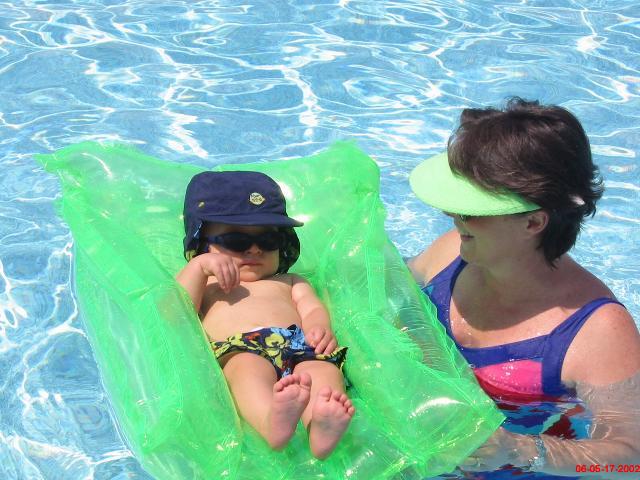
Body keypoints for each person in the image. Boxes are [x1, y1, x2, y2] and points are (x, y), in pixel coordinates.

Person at [407, 98, 640, 477]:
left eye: (470, 209)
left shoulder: (596, 332)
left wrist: (521, 449)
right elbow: (385, 293)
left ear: (533, 223)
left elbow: (629, 461)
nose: (450, 215)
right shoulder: (451, 254)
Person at [176, 170, 354, 460]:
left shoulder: (290, 280)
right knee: (246, 371)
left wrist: (318, 327)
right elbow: (176, 313)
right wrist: (198, 268)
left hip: (299, 345)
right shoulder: (205, 283)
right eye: (236, 241)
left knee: (323, 370)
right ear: (202, 243)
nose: (256, 249)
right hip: (240, 347)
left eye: (269, 240)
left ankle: (320, 424)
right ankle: (272, 422)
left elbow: (311, 307)